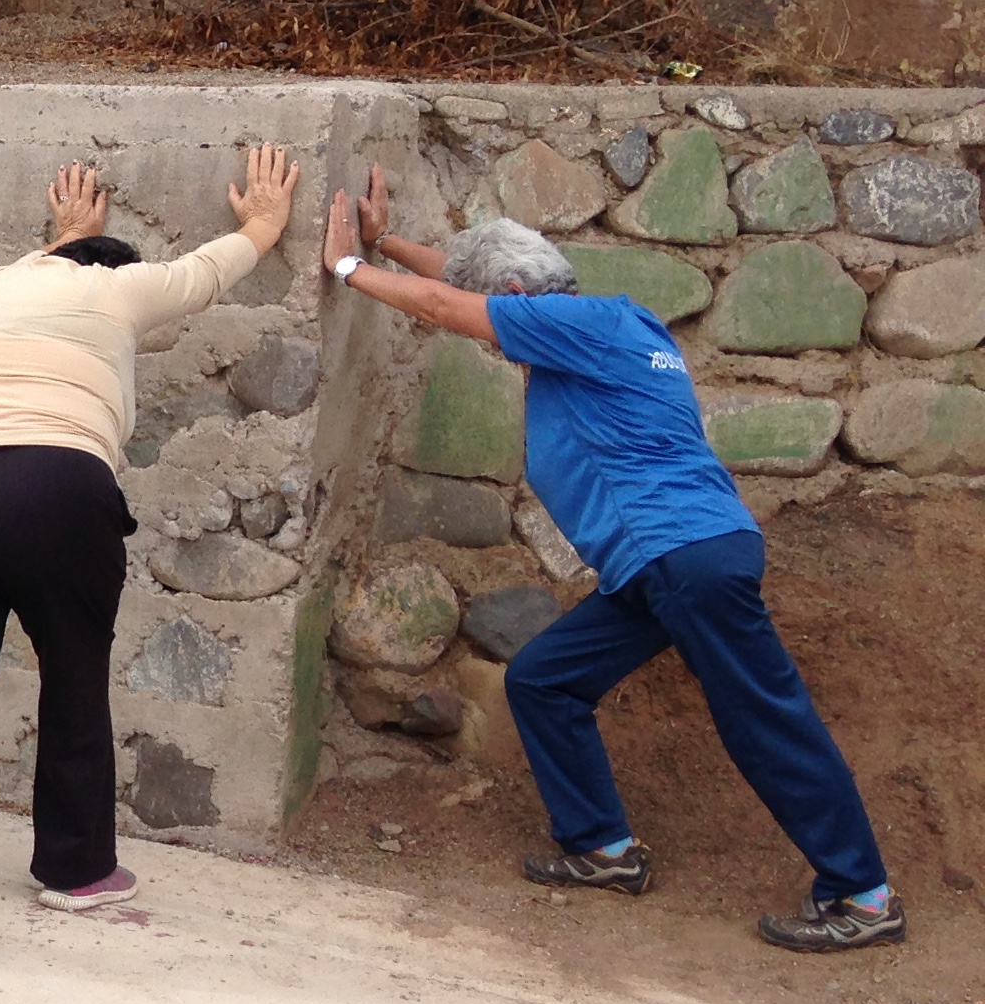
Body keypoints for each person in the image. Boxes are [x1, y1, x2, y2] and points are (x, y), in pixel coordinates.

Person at [324, 167, 899, 951]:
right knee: (545, 679)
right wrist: (386, 241)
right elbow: (459, 288)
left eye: (497, 316)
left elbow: (446, 305)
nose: (491, 340)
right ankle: (602, 848)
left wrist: (347, 267)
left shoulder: (574, 325)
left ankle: (862, 894)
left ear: (518, 296)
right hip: (663, 563)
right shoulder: (605, 324)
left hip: (682, 555)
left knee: (767, 719)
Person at [0, 146, 299, 962]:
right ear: (109, 264)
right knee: (74, 676)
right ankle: (75, 867)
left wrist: (68, 231)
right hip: (61, 485)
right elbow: (203, 273)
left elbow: (56, 261)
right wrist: (263, 226)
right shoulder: (117, 287)